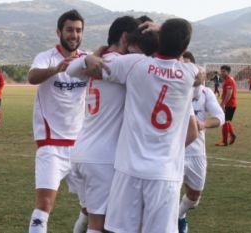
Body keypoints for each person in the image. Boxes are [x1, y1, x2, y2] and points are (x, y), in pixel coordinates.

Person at [68, 18, 199, 233]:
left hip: (128, 169)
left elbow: (75, 69)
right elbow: (196, 73)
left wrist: (89, 59)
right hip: (164, 173)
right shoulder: (190, 73)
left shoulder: (134, 64)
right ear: (184, 48)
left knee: (111, 228)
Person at [69, 15, 139, 233]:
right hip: (102, 157)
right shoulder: (121, 63)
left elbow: (71, 69)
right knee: (100, 225)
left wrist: (90, 56)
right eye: (136, 41)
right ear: (125, 38)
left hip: (82, 151)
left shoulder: (98, 61)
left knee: (90, 216)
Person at [26, 10, 88, 233]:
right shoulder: (46, 57)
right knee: (44, 205)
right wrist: (57, 69)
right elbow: (32, 77)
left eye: (78, 30)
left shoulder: (85, 60)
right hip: (51, 144)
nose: (74, 35)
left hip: (81, 146)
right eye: (70, 30)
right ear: (59, 32)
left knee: (92, 209)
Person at [178, 52, 224, 233]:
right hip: (175, 152)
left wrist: (203, 124)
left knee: (194, 195)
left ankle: (180, 214)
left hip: (196, 152)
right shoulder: (173, 88)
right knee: (169, 194)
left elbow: (220, 117)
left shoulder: (205, 92)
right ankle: (173, 222)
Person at [216, 65, 238, 146]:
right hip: (230, 104)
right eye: (221, 71)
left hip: (230, 104)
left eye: (224, 71)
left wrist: (223, 104)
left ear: (228, 72)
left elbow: (229, 93)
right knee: (227, 120)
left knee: (224, 121)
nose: (222, 73)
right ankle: (232, 135)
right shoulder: (228, 80)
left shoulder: (229, 81)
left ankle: (224, 141)